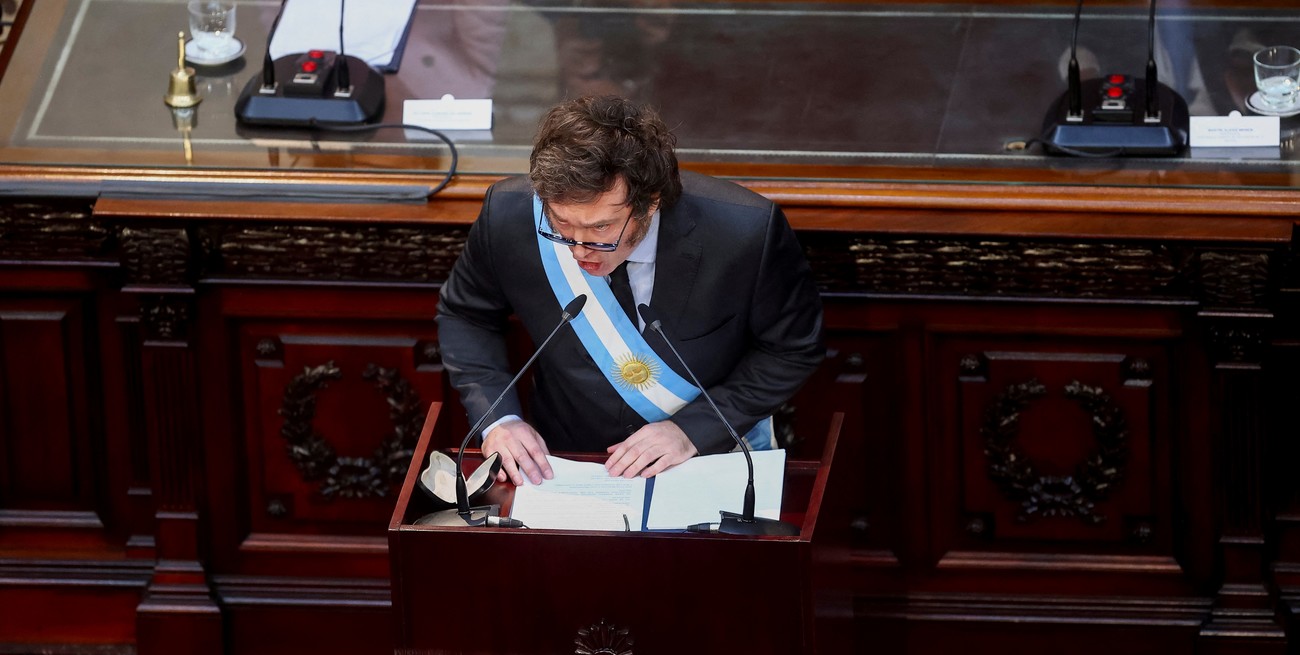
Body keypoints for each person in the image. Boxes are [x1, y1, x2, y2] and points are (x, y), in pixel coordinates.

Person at [435, 95, 824, 486]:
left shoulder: (745, 232)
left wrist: (694, 429)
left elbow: (792, 349)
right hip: (565, 462)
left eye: (601, 228)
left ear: (649, 203)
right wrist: (498, 419)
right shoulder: (508, 215)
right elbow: (465, 315)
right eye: (561, 223)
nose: (578, 249)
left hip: (708, 457)